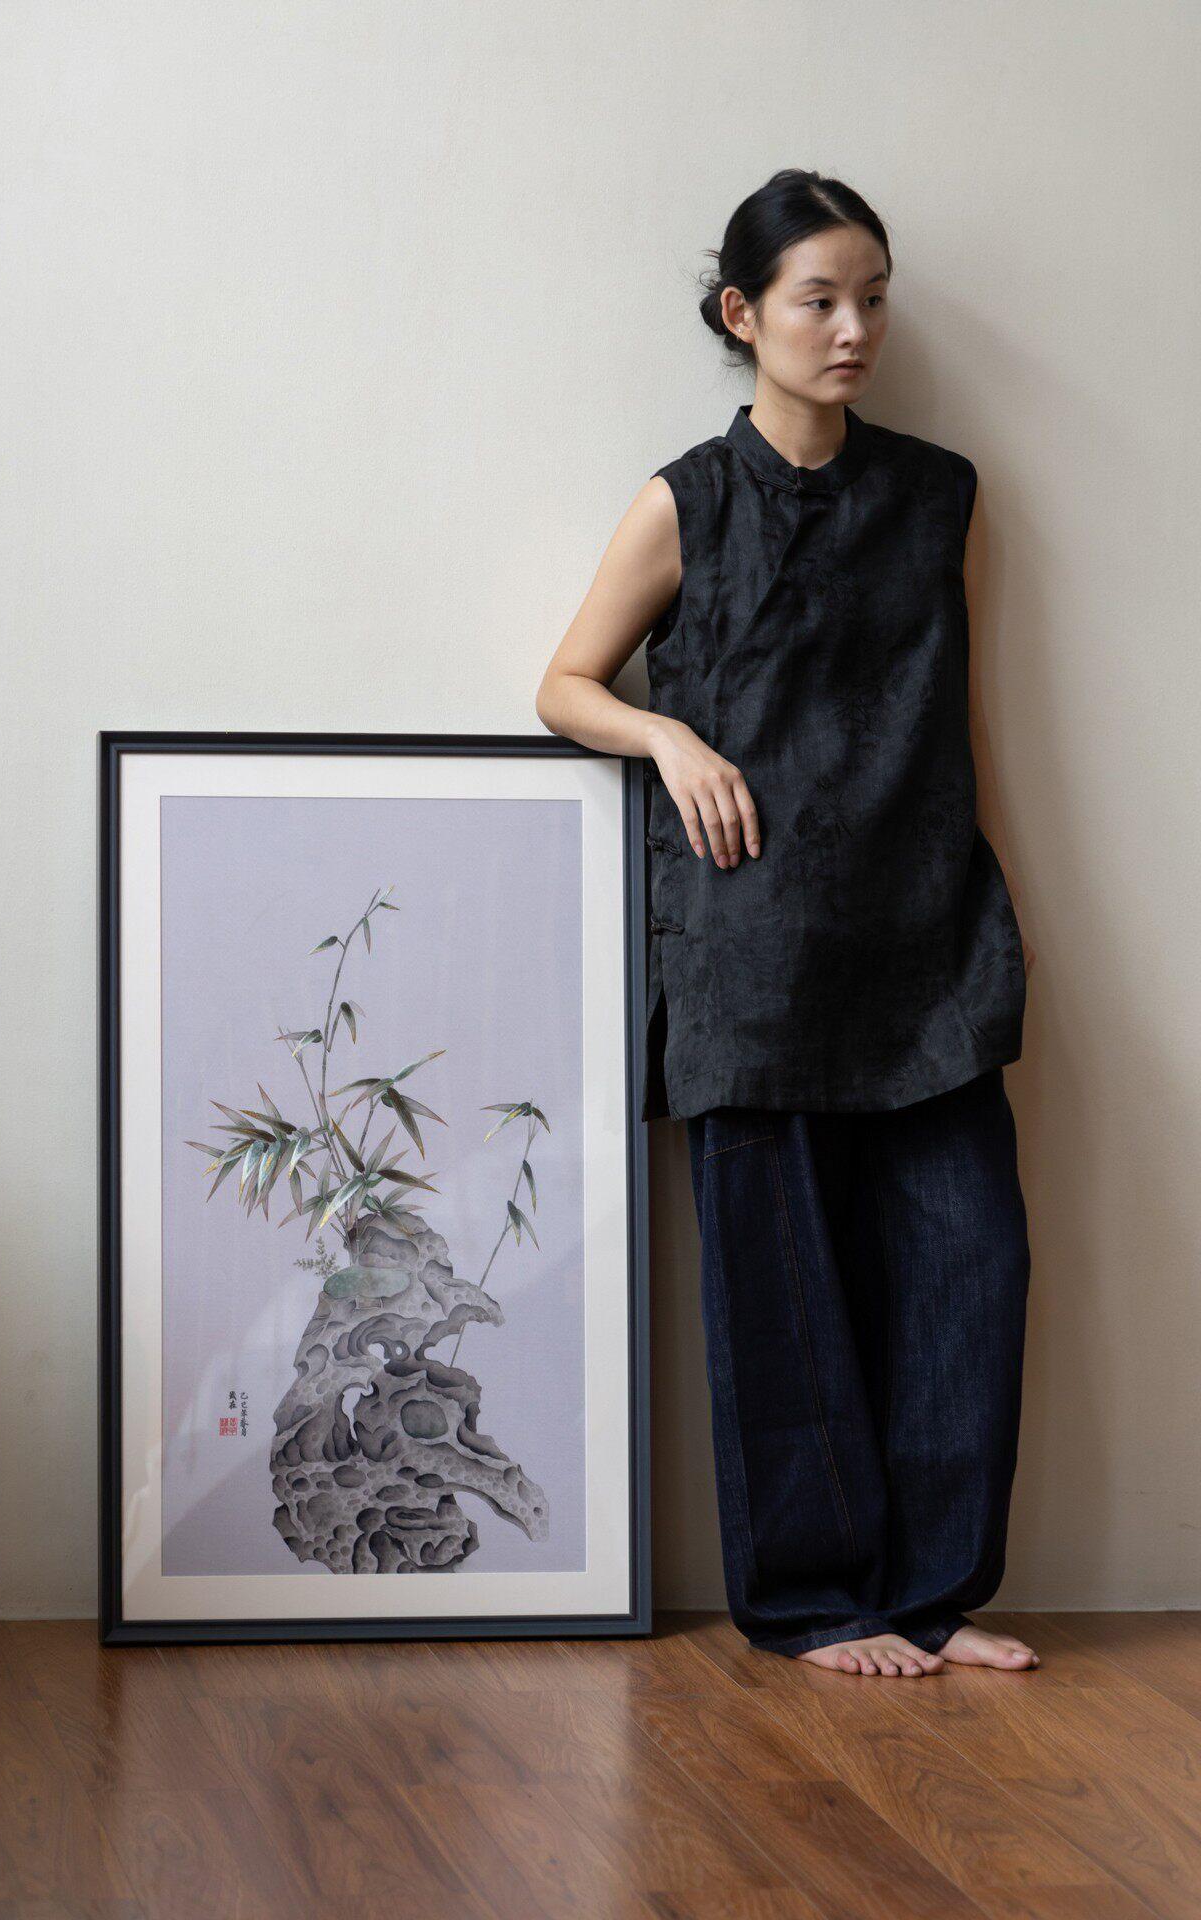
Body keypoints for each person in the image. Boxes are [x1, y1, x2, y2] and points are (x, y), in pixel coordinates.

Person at [535, 168, 1040, 1678]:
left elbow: (957, 708)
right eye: (819, 300)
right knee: (785, 1293)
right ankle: (823, 1604)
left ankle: (935, 1591)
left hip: (925, 934)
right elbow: (565, 684)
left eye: (873, 298)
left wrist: (1001, 886)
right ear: (741, 314)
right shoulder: (687, 500)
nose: (854, 329)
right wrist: (669, 739)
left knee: (970, 1269)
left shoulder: (941, 493)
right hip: (752, 950)